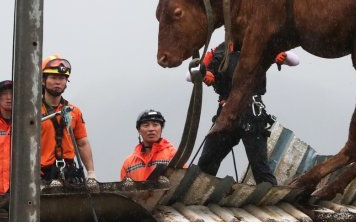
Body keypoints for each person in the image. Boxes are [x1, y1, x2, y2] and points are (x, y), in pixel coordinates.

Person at [195, 42, 299, 185]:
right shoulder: (218, 51)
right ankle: (197, 192)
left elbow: (294, 61)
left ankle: (268, 197)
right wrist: (202, 73)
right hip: (226, 113)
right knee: (206, 163)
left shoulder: (260, 44)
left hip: (252, 113)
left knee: (260, 167)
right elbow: (190, 74)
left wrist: (281, 54)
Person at [40, 54, 96, 184]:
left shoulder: (74, 111)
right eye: (53, 77)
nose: (58, 82)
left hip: (69, 172)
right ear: (43, 80)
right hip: (42, 174)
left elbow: (82, 143)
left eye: (62, 78)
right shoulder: (33, 112)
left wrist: (91, 173)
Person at [120, 109, 178, 181]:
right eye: (146, 125)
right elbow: (124, 190)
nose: (151, 129)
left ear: (162, 128)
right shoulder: (128, 162)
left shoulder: (173, 155)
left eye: (155, 125)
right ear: (139, 130)